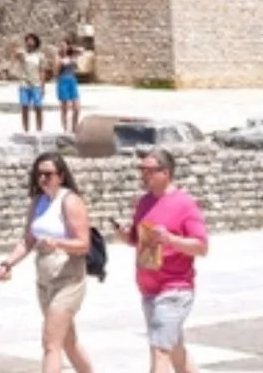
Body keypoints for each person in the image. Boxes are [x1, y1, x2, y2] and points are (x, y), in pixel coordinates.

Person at [0, 151, 94, 373]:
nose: (43, 179)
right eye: (39, 174)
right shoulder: (38, 202)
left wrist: (58, 243)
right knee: (68, 342)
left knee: (51, 343)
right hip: (45, 280)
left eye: (48, 174)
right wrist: (8, 263)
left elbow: (84, 244)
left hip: (68, 280)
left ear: (61, 176)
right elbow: (28, 239)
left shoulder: (70, 201)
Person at [114, 149, 209, 373]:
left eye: (148, 171)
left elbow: (202, 246)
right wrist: (127, 236)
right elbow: (138, 240)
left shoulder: (185, 204)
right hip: (149, 288)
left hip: (175, 290)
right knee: (174, 349)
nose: (143, 175)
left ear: (165, 173)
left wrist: (170, 239)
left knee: (159, 351)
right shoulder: (144, 202)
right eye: (141, 170)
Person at [17, 33, 50, 134]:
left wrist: (43, 86)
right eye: (28, 40)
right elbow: (14, 53)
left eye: (31, 40)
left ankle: (39, 128)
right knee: (25, 106)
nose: (29, 42)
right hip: (24, 83)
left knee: (38, 106)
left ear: (35, 42)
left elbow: (42, 71)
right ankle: (26, 129)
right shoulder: (23, 54)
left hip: (36, 84)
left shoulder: (40, 56)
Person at [54, 43, 82, 136]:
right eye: (61, 46)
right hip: (63, 81)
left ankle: (74, 127)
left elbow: (81, 51)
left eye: (64, 45)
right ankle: (66, 129)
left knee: (76, 107)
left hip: (72, 81)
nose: (63, 47)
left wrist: (73, 51)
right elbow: (56, 73)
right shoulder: (58, 58)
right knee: (64, 107)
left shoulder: (72, 57)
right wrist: (60, 64)